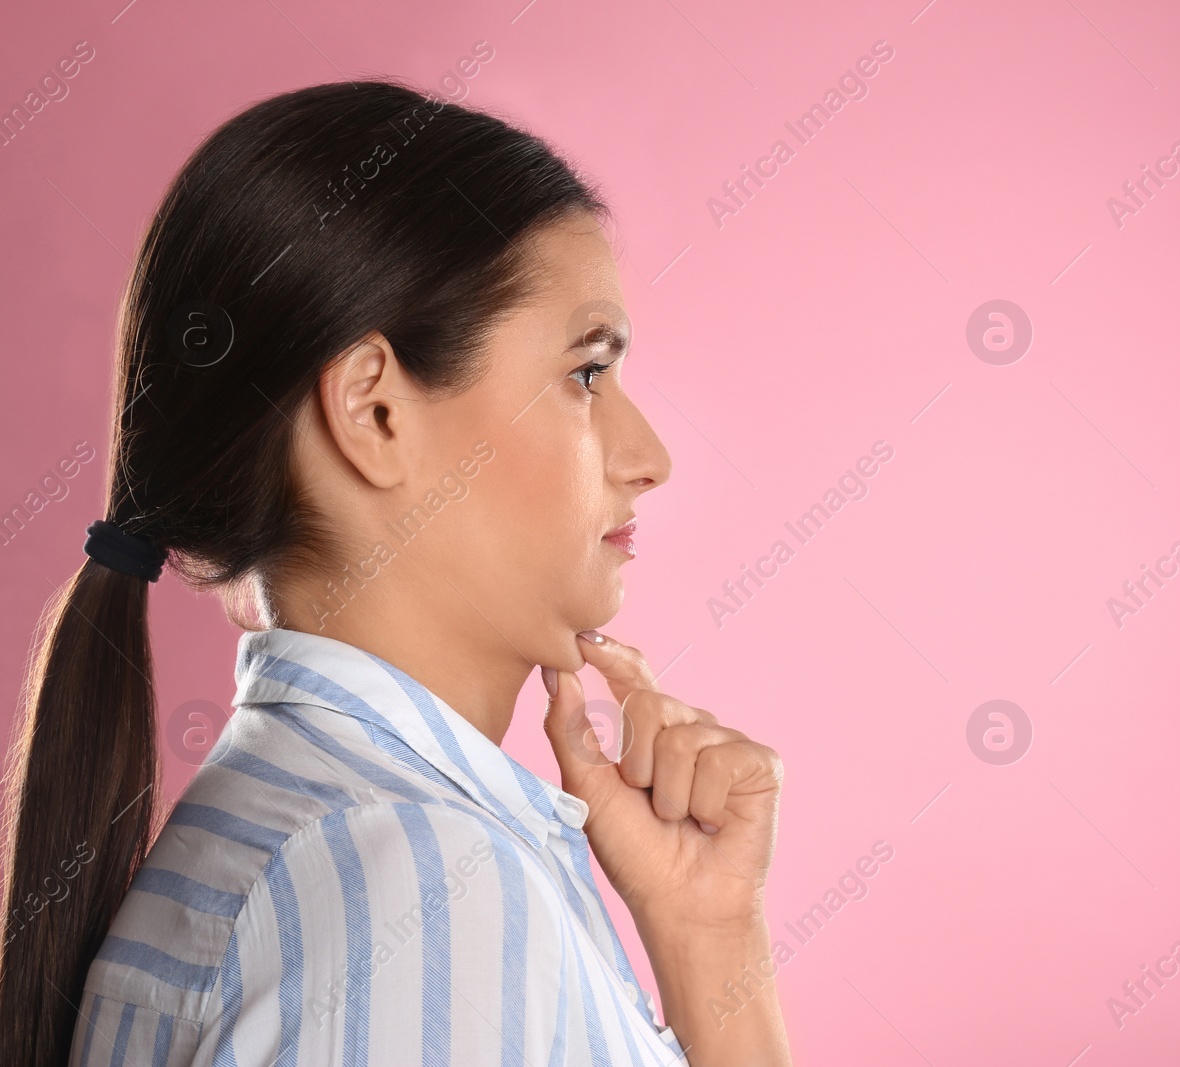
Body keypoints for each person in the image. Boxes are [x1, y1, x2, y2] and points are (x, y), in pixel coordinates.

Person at [0, 80, 791, 1067]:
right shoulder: (415, 886)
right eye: (584, 373)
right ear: (375, 413)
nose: (650, 455)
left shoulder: (333, 841)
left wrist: (708, 935)